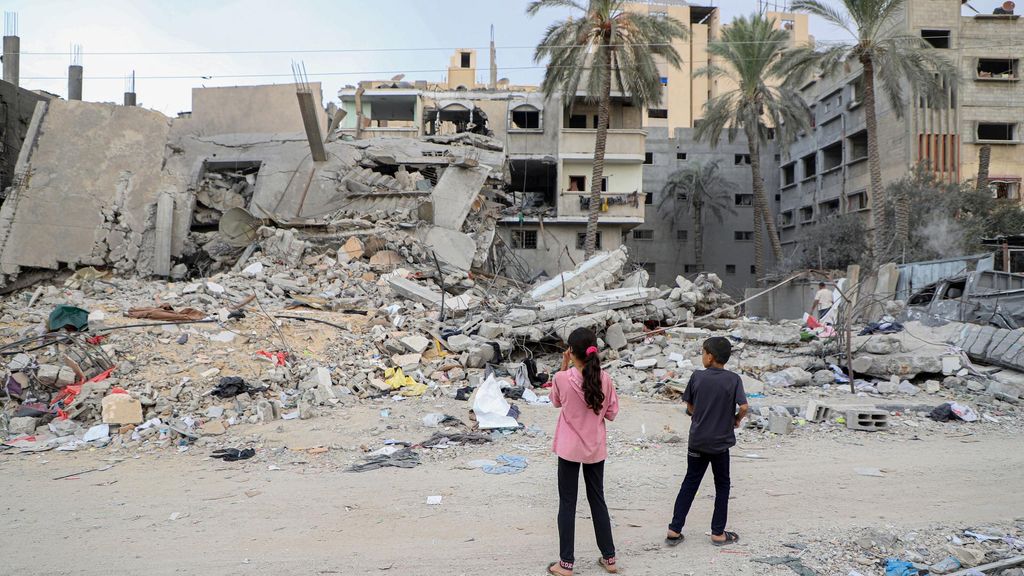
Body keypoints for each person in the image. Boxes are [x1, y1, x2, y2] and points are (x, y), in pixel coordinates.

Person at [547, 327, 620, 576]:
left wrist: (563, 365)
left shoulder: (562, 378)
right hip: (595, 449)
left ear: (570, 351)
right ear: (593, 351)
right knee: (597, 500)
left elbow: (555, 401)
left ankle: (566, 563)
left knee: (567, 504)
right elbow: (610, 414)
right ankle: (609, 558)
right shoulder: (605, 380)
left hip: (569, 450)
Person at [665, 337, 749, 548]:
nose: (702, 356)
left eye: (703, 353)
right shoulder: (733, 379)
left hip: (698, 441)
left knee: (690, 482)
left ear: (710, 357)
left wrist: (701, 414)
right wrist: (736, 419)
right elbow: (745, 407)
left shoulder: (697, 377)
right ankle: (718, 533)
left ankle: (674, 530)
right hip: (720, 443)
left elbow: (690, 406)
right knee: (722, 485)